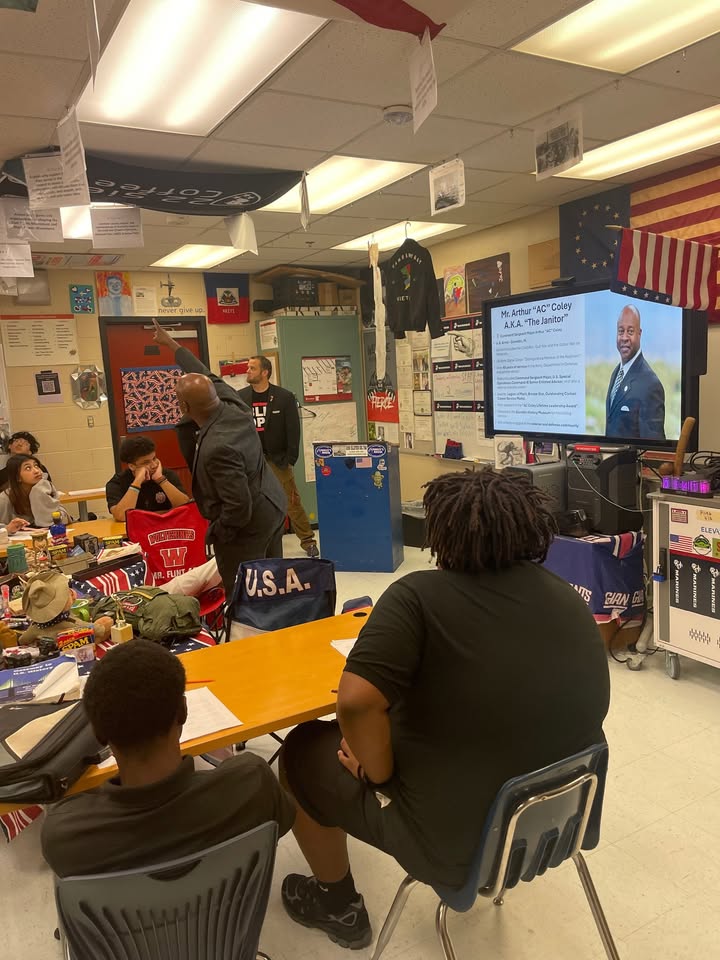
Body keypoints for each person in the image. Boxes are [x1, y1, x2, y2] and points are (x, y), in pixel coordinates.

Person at [279, 468, 610, 949]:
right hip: (560, 821)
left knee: (301, 750)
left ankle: (337, 904)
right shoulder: (568, 597)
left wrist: (379, 777)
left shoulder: (416, 596)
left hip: (457, 848)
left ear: (442, 533)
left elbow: (355, 702)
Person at [41, 639, 295, 877]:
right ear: (183, 711)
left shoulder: (64, 837)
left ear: (99, 734)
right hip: (228, 910)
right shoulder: (253, 784)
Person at [152, 321, 287, 595]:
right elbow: (206, 374)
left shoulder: (218, 447)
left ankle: (245, 619)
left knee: (245, 591)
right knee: (274, 583)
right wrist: (171, 344)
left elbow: (238, 507)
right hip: (272, 505)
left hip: (250, 525)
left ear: (184, 406)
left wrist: (217, 533)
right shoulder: (235, 405)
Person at [239, 356, 319, 558]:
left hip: (277, 460)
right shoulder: (240, 397)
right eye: (248, 367)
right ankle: (255, 542)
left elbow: (293, 429)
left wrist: (290, 458)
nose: (248, 371)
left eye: (252, 368)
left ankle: (308, 541)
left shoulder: (284, 397)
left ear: (265, 372)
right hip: (251, 460)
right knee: (251, 502)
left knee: (292, 501)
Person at [605, 305, 665, 441]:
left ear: (639, 333)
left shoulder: (651, 384)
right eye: (621, 331)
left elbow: (653, 443)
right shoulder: (616, 373)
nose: (624, 337)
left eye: (630, 331)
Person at [106, 435, 189, 522]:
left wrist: (160, 479)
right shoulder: (117, 482)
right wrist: (137, 482)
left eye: (154, 458)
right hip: (135, 528)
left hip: (165, 526)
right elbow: (121, 516)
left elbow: (186, 507)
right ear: (132, 466)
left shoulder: (167, 475)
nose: (154, 465)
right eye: (146, 462)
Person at [0, 455, 68, 527]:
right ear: (17, 477)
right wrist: (9, 528)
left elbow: (63, 516)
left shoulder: (45, 487)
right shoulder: (4, 499)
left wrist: (38, 493)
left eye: (36, 466)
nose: (36, 471)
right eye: (28, 468)